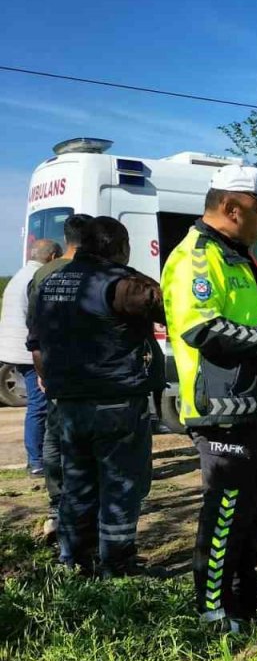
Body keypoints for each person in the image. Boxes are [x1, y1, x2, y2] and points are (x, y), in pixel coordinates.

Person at [160, 164, 257, 631]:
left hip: (255, 404)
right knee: (225, 510)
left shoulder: (236, 255)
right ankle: (212, 609)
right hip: (221, 411)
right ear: (230, 207)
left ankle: (245, 590)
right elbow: (201, 327)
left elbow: (239, 325)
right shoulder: (198, 256)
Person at [29, 216, 165, 577]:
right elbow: (165, 309)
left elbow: (37, 347)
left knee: (77, 484)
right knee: (120, 485)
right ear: (118, 248)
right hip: (116, 401)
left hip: (67, 404)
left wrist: (54, 385)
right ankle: (117, 564)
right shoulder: (123, 284)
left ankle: (73, 561)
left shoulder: (50, 282)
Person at [26, 215, 91, 544]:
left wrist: (43, 373)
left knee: (56, 441)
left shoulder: (42, 275)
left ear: (66, 239)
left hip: (55, 372)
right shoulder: (96, 272)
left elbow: (34, 331)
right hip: (92, 376)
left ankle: (58, 510)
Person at [0, 238, 61, 476]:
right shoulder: (36, 278)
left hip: (15, 348)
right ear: (53, 257)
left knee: (37, 405)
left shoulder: (21, 274)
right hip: (27, 351)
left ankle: (36, 458)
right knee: (39, 405)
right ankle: (36, 460)